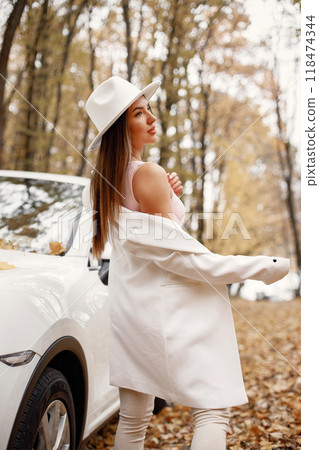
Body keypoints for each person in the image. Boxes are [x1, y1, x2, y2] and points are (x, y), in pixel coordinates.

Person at [83, 76, 290, 449]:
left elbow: (151, 241)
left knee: (133, 419)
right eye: (138, 113)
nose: (151, 118)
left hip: (129, 309)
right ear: (119, 128)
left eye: (148, 109)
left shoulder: (100, 183)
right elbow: (183, 258)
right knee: (212, 411)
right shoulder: (147, 173)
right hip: (167, 311)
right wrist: (262, 267)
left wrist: (169, 197)